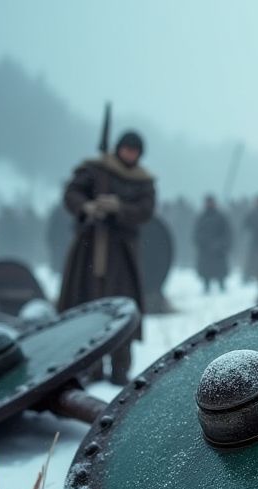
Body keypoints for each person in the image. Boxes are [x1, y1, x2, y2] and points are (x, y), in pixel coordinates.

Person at [58, 130, 156, 385]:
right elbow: (71, 194)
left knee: (123, 307)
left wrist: (120, 208)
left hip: (122, 253)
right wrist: (87, 206)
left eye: (134, 151)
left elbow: (146, 210)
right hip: (91, 247)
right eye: (127, 149)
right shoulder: (95, 170)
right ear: (118, 148)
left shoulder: (143, 181)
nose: (130, 155)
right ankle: (90, 367)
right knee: (89, 304)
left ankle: (120, 369)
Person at [194, 195, 233, 294]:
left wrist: (221, 244)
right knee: (206, 272)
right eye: (208, 202)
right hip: (206, 251)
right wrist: (204, 243)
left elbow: (227, 233)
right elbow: (197, 234)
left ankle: (222, 286)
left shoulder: (221, 217)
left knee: (220, 272)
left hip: (218, 251)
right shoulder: (202, 218)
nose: (209, 204)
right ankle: (206, 286)